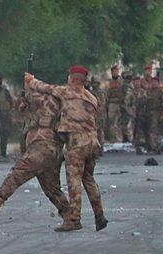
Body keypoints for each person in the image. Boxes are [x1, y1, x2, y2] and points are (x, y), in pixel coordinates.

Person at [25, 65, 108, 232]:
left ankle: (74, 219)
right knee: (89, 179)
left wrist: (30, 80)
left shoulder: (66, 92)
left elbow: (44, 87)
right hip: (92, 142)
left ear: (72, 78)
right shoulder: (92, 97)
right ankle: (99, 215)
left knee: (74, 180)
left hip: (76, 142)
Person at [0, 85, 70, 227]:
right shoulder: (33, 106)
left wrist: (29, 87)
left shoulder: (49, 100)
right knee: (51, 188)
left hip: (44, 147)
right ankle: (70, 216)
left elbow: (35, 101)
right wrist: (23, 104)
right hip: (45, 149)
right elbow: (18, 114)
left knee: (19, 171)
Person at [124, 75, 148, 154]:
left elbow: (147, 102)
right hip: (134, 114)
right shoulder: (130, 92)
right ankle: (136, 145)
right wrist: (131, 112)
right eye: (135, 82)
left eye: (138, 81)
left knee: (143, 129)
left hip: (143, 114)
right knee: (134, 130)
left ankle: (145, 144)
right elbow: (127, 104)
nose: (137, 83)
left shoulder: (143, 92)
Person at [145, 77, 163, 154]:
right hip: (148, 112)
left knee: (154, 130)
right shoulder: (148, 91)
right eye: (152, 82)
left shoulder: (161, 92)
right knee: (150, 130)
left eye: (155, 82)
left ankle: (155, 147)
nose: (154, 83)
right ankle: (154, 145)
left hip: (157, 112)